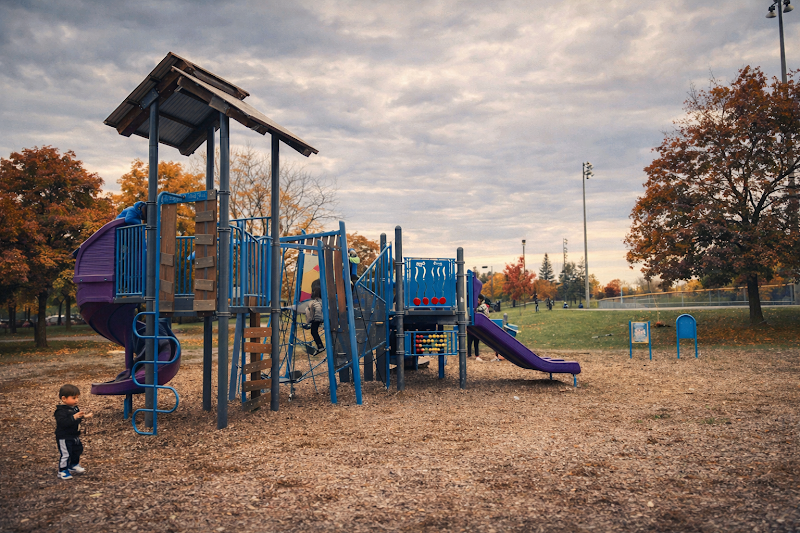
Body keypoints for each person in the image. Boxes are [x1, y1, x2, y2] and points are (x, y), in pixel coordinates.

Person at [55, 384, 92, 480]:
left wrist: (84, 416)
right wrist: (74, 417)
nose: (76, 400)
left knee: (77, 450)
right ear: (64, 398)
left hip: (74, 435)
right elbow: (63, 422)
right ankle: (62, 471)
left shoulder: (74, 408)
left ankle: (73, 465)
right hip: (64, 436)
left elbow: (77, 418)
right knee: (66, 453)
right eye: (74, 398)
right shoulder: (60, 411)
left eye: (77, 398)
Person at [305, 279, 324, 355]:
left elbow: (318, 310)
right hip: (315, 319)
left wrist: (316, 319)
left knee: (314, 332)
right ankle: (320, 346)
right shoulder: (317, 301)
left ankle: (320, 346)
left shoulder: (317, 301)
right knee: (313, 331)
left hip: (316, 319)